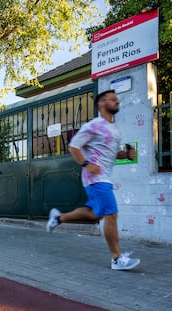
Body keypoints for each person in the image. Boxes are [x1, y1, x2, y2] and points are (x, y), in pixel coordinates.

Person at [46, 90, 140, 271]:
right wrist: (87, 164)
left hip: (104, 177)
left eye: (116, 99)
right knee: (111, 214)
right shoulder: (94, 125)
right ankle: (116, 258)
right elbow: (73, 147)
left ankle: (58, 218)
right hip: (95, 178)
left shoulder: (114, 129)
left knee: (95, 214)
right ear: (101, 104)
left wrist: (126, 155)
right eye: (112, 99)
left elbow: (110, 155)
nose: (116, 101)